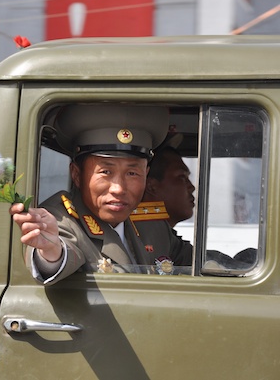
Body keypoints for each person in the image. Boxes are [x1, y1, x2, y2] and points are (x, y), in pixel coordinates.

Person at [10, 104, 182, 284]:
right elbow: (57, 255)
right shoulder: (59, 220)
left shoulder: (152, 225)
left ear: (146, 175)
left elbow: (196, 262)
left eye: (132, 173)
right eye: (105, 172)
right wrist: (51, 253)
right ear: (77, 175)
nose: (119, 188)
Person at [131, 144, 195, 266]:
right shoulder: (145, 233)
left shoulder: (163, 235)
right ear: (151, 186)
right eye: (181, 177)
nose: (192, 187)